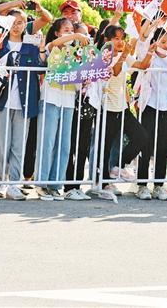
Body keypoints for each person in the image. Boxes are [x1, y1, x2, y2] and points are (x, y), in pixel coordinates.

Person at [0, 10, 46, 201]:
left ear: (25, 25)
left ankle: (14, 183)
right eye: (12, 22)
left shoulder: (30, 46)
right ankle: (2, 181)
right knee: (2, 143)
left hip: (24, 102)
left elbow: (40, 68)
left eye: (20, 22)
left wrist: (41, 50)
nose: (16, 26)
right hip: (2, 101)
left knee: (18, 144)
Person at [35, 17, 89, 201]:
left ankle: (55, 185)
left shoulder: (77, 53)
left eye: (71, 30)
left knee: (64, 145)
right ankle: (41, 184)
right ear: (57, 32)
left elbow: (80, 77)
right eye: (66, 30)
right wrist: (75, 35)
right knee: (47, 142)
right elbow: (53, 44)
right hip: (51, 98)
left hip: (68, 100)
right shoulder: (54, 47)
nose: (70, 33)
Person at [96, 25, 151, 202]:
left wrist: (150, 51)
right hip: (107, 108)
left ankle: (117, 166)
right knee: (104, 147)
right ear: (107, 40)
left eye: (122, 38)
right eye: (116, 38)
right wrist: (125, 53)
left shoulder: (124, 56)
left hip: (122, 108)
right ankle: (103, 183)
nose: (120, 42)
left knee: (141, 137)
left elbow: (142, 66)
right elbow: (115, 71)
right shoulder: (103, 56)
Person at [135, 28, 167, 201]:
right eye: (163, 42)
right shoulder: (150, 58)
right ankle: (142, 185)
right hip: (149, 106)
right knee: (145, 146)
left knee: (162, 147)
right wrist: (149, 48)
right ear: (155, 42)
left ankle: (159, 185)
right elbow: (141, 53)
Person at [63, 21, 99, 201]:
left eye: (87, 35)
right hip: (72, 105)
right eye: (81, 35)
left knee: (83, 147)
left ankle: (77, 185)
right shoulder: (69, 55)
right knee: (70, 147)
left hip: (88, 106)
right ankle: (68, 186)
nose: (86, 38)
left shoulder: (92, 56)